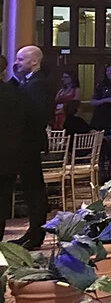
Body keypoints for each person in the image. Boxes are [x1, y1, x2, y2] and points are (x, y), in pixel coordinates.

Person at [5, 46, 52, 250]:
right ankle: (33, 233)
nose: (16, 63)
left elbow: (32, 114)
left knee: (34, 190)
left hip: (28, 143)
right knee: (32, 189)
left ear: (34, 61)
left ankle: (36, 234)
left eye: (20, 59)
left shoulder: (38, 84)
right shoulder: (29, 82)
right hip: (25, 143)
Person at [88, 64, 111, 131]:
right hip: (102, 114)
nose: (110, 72)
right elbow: (93, 101)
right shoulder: (101, 85)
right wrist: (105, 100)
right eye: (108, 70)